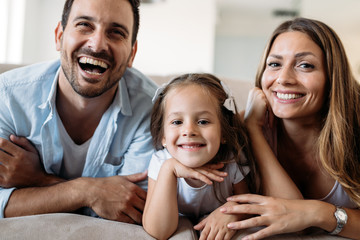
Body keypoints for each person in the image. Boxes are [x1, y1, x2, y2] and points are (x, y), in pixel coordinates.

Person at [0, 0, 157, 224]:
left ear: (132, 53)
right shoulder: (7, 96)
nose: (97, 44)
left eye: (116, 32)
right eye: (84, 25)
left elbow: (131, 210)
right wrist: (88, 192)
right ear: (59, 36)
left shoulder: (153, 110)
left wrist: (38, 180)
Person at [218, 17, 360, 239]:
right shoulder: (242, 127)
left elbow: (298, 218)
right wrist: (253, 131)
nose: (283, 79)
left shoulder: (356, 128)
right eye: (274, 64)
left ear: (332, 77)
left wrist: (318, 212)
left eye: (305, 65)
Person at [142, 73, 256, 240]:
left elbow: (246, 203)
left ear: (223, 132)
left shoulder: (232, 160)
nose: (189, 131)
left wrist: (231, 212)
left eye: (203, 121)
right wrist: (170, 169)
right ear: (163, 137)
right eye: (177, 122)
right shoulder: (161, 162)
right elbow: (158, 231)